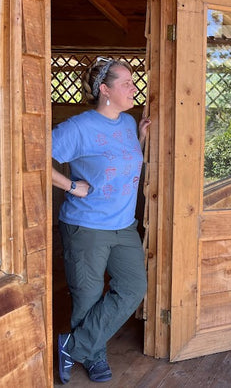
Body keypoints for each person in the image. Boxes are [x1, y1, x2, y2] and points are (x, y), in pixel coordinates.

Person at [52, 57, 151, 384]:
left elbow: (120, 161)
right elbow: (31, 155)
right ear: (105, 90)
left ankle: (74, 346)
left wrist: (139, 137)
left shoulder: (125, 123)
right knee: (88, 295)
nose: (133, 87)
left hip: (123, 226)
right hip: (87, 227)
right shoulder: (79, 127)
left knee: (134, 287)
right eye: (126, 83)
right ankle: (93, 358)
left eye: (132, 82)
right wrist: (70, 185)